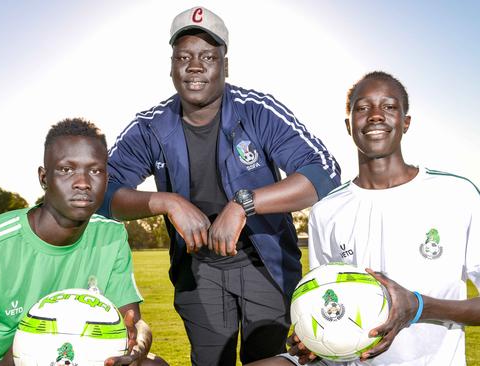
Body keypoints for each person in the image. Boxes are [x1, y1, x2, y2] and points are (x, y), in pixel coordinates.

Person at [99, 6, 341, 365]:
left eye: (207, 56)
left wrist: (244, 203)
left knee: (274, 361)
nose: (195, 65)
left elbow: (323, 173)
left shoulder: (258, 110)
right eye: (184, 56)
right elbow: (103, 192)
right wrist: (167, 202)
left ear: (225, 66)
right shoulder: (150, 126)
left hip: (267, 267)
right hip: (199, 273)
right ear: (171, 67)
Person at [250, 71, 480, 366]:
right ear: (349, 125)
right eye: (363, 107)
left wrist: (419, 307)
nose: (375, 116)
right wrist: (313, 337)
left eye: (389, 107)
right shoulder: (326, 210)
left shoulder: (458, 194)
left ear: (405, 122)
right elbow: (329, 300)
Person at [0, 119, 167, 366]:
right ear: (43, 178)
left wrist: (137, 343)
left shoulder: (111, 236)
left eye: (95, 171)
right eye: (66, 169)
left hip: (83, 359)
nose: (82, 182)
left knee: (151, 365)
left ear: (107, 179)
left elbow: (133, 321)